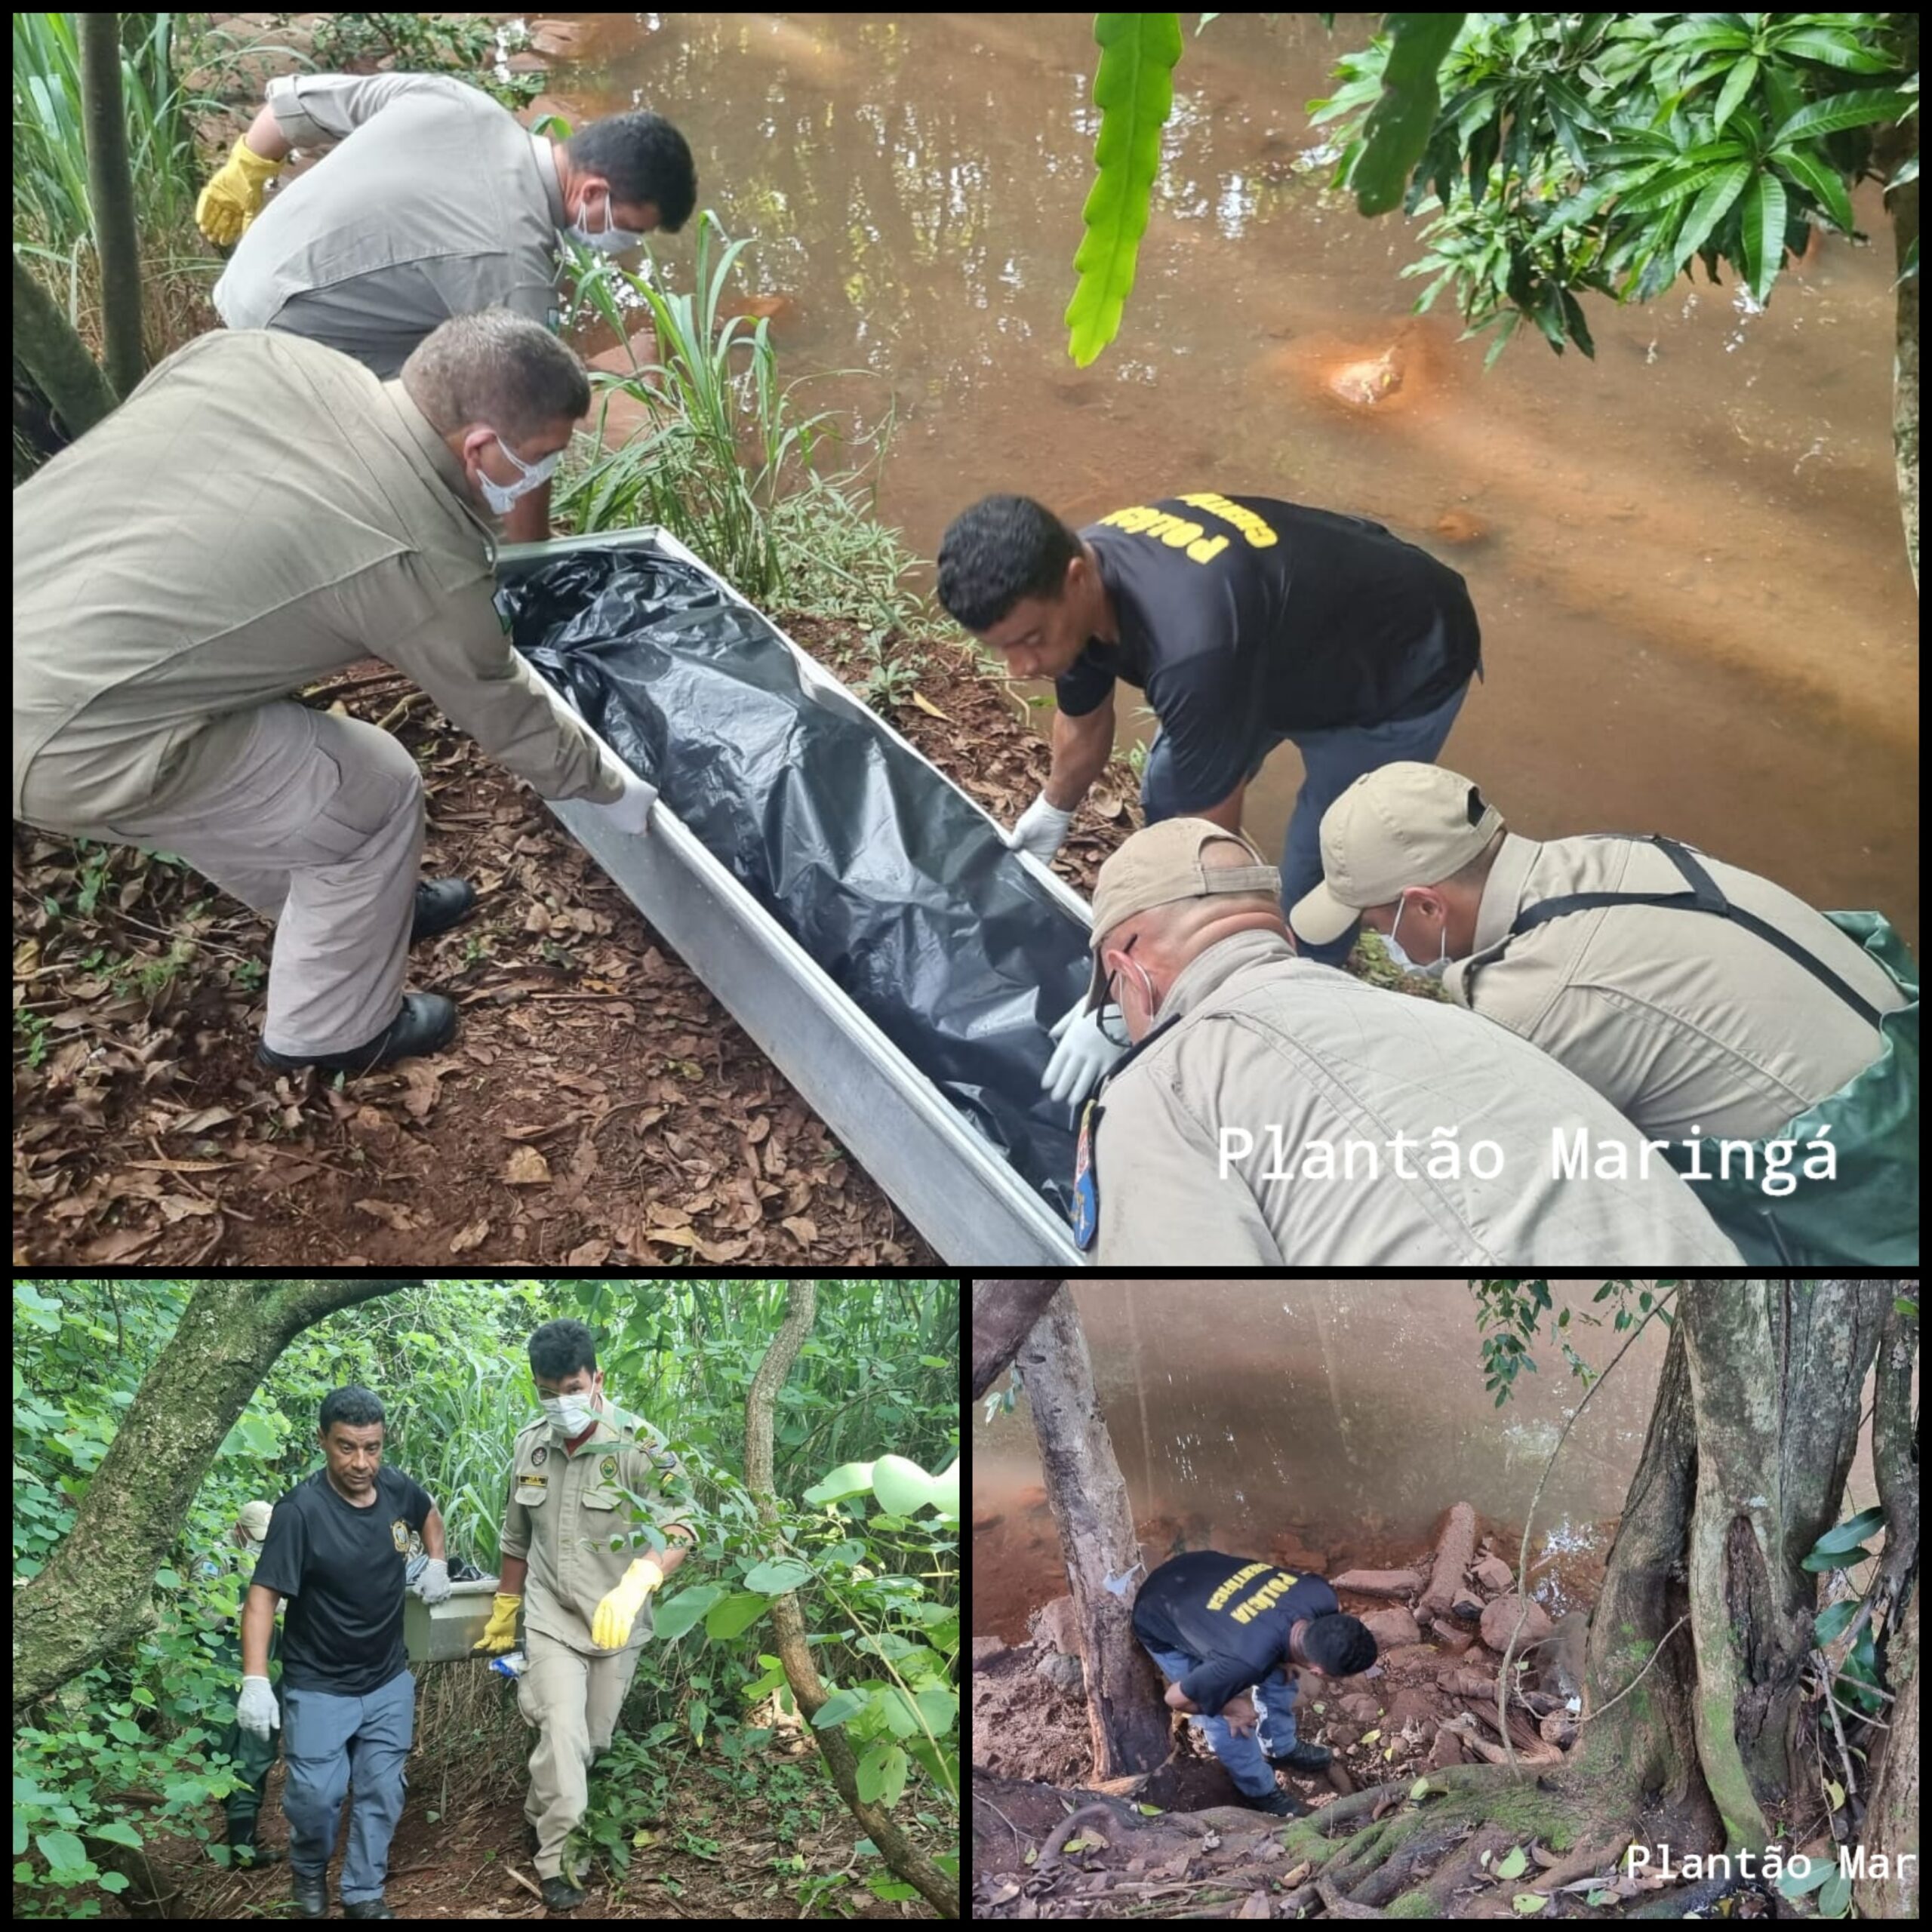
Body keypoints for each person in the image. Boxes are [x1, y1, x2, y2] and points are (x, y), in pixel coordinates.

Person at [14, 309, 657, 1076]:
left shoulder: (262, 357)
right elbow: (503, 704)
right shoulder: (420, 550)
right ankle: (329, 1032)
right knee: (374, 790)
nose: (543, 475)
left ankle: (351, 912)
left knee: (278, 774)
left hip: (55, 623)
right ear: (480, 447)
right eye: (543, 457)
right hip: (63, 736)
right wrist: (613, 789)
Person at [934, 491, 1481, 1104]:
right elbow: (1085, 722)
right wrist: (1057, 807)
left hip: (1394, 665)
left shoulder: (1192, 642)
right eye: (1003, 647)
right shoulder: (1067, 589)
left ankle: (1298, 1009)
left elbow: (1207, 862)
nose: (1018, 667)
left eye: (1029, 641)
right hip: (1281, 638)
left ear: (1077, 578)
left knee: (1320, 879)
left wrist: (1123, 1001)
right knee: (1171, 787)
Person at [1288, 763, 1918, 1263]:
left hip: (1867, 1188)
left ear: (1426, 907)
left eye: (1375, 923)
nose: (1381, 944)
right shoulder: (1602, 852)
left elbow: (1486, 1175)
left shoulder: (1534, 999)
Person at [1072, 817, 1746, 1263]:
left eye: (1112, 1004)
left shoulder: (1160, 1087)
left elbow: (1179, 1330)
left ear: (1128, 972)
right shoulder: (1471, 1019)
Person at [198, 75, 697, 540]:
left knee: (461, 341)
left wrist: (246, 165)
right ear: (592, 192)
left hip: (247, 274)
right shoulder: (513, 263)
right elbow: (527, 429)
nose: (625, 244)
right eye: (629, 228)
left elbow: (292, 105)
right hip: (282, 329)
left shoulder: (458, 102)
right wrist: (533, 555)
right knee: (461, 414)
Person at [472, 1319, 697, 1913]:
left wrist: (640, 1581)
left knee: (590, 1741)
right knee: (564, 1731)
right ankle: (560, 1864)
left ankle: (539, 1810)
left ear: (598, 1379)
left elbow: (682, 1523)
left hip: (618, 1620)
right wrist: (505, 1607)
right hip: (551, 1618)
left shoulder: (643, 1446)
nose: (561, 1404)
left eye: (572, 1389)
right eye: (548, 1392)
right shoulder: (532, 1446)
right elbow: (516, 1538)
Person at [237, 1386, 451, 1921]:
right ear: (323, 1442)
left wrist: (437, 1562)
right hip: (319, 1683)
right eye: (347, 1448)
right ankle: (309, 1872)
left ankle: (362, 1892)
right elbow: (263, 1597)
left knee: (383, 1789)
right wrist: (256, 1679)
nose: (362, 1463)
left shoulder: (395, 1485)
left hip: (386, 1678)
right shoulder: (299, 1512)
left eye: (373, 1448)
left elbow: (429, 1512)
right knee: (315, 1797)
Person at [1131, 1549, 1380, 1817]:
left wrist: (1286, 1660)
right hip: (1159, 1611)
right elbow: (1176, 1699)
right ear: (1318, 1671)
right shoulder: (1246, 1662)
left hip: (1199, 1573)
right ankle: (1259, 1788)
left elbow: (1275, 1625)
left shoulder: (1321, 1594)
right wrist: (1232, 1708)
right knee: (1226, 1721)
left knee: (1283, 1676)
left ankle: (1280, 1748)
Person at [209, 1500, 285, 1869]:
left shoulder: (277, 1557)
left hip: (268, 1670)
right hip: (219, 1672)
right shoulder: (214, 1559)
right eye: (255, 1538)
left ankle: (243, 1846)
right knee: (220, 1747)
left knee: (256, 1750)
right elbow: (205, 1617)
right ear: (239, 1530)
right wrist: (254, 1611)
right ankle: (234, 1828)